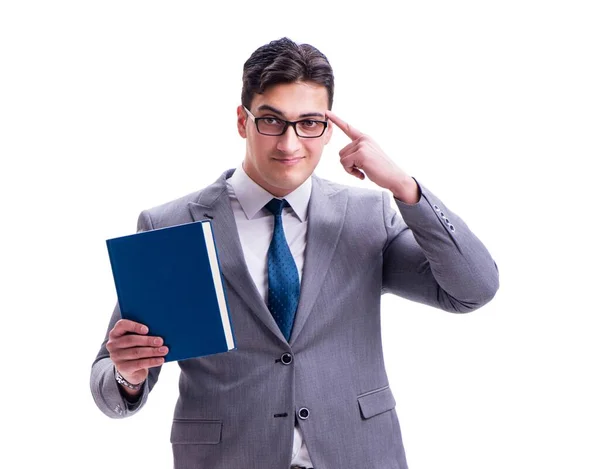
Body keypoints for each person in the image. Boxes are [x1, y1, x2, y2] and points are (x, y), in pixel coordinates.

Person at [90, 37, 499, 469]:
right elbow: (109, 374)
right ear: (241, 121)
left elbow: (473, 289)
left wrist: (405, 187)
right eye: (271, 121)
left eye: (309, 123)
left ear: (327, 127)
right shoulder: (172, 225)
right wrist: (127, 375)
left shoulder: (368, 217)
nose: (289, 144)